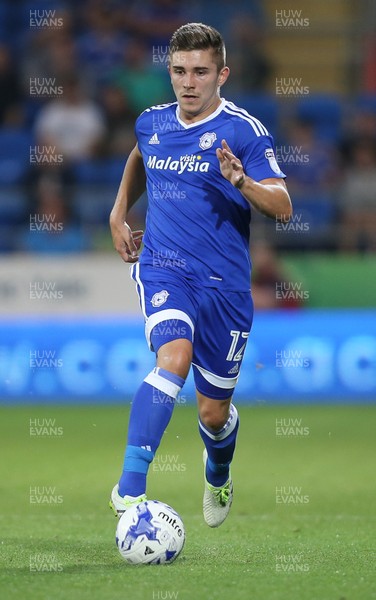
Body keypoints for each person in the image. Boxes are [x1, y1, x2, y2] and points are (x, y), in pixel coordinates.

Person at [109, 23, 292, 528]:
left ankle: (218, 470)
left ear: (222, 75)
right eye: (179, 72)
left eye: (200, 72)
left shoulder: (244, 131)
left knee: (213, 415)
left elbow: (283, 204)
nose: (188, 83)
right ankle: (129, 489)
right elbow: (140, 157)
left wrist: (242, 180)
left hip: (226, 287)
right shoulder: (151, 122)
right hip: (165, 267)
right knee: (174, 355)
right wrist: (118, 212)